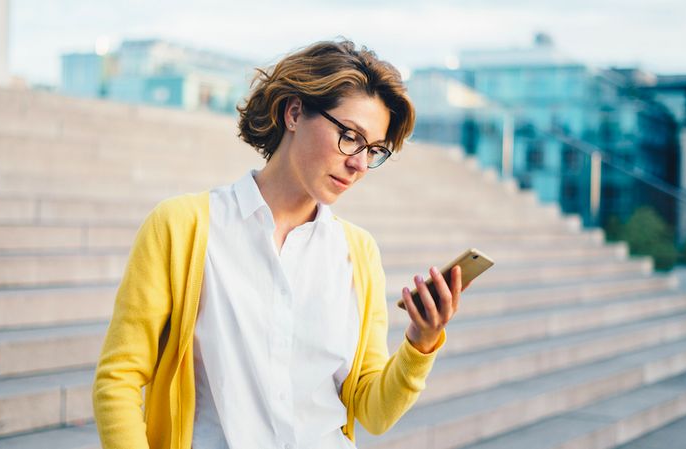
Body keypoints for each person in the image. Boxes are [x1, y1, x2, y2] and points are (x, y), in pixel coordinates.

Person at [93, 39, 465, 449]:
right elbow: (119, 379)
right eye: (350, 136)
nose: (359, 163)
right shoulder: (182, 227)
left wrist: (420, 342)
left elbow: (372, 412)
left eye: (373, 150)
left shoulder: (358, 253)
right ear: (294, 112)